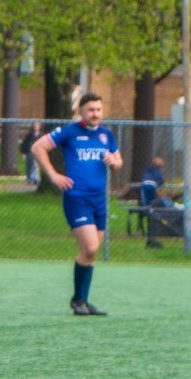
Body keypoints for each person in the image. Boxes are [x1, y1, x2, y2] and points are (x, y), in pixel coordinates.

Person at [32, 94, 122, 316]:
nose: (95, 114)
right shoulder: (69, 132)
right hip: (77, 199)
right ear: (80, 112)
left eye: (99, 110)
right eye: (91, 110)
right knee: (90, 248)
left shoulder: (105, 135)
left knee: (90, 253)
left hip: (99, 200)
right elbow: (37, 147)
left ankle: (82, 301)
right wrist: (53, 175)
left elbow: (119, 162)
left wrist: (114, 161)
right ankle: (77, 300)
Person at [18, 120, 42, 187]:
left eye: (37, 125)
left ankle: (34, 178)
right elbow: (24, 144)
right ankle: (29, 178)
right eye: (34, 125)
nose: (35, 127)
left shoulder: (41, 135)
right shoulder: (29, 135)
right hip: (29, 152)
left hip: (37, 152)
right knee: (29, 165)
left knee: (34, 165)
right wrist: (23, 152)